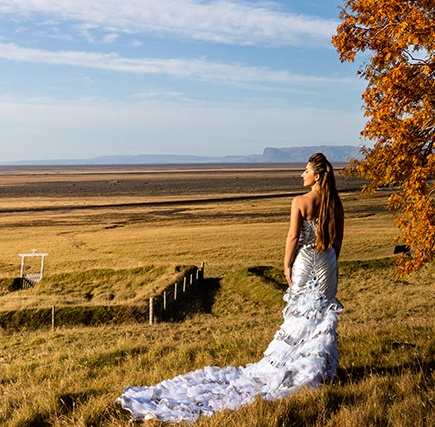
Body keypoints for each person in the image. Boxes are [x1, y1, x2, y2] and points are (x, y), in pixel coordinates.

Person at [117, 153, 345, 422]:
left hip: (305, 261)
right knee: (320, 318)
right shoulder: (335, 202)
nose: (301, 174)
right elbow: (338, 236)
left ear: (317, 175)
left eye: (305, 170)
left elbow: (293, 236)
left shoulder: (300, 201)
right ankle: (319, 369)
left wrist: (286, 264)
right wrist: (331, 260)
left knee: (298, 315)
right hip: (327, 261)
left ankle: (297, 368)